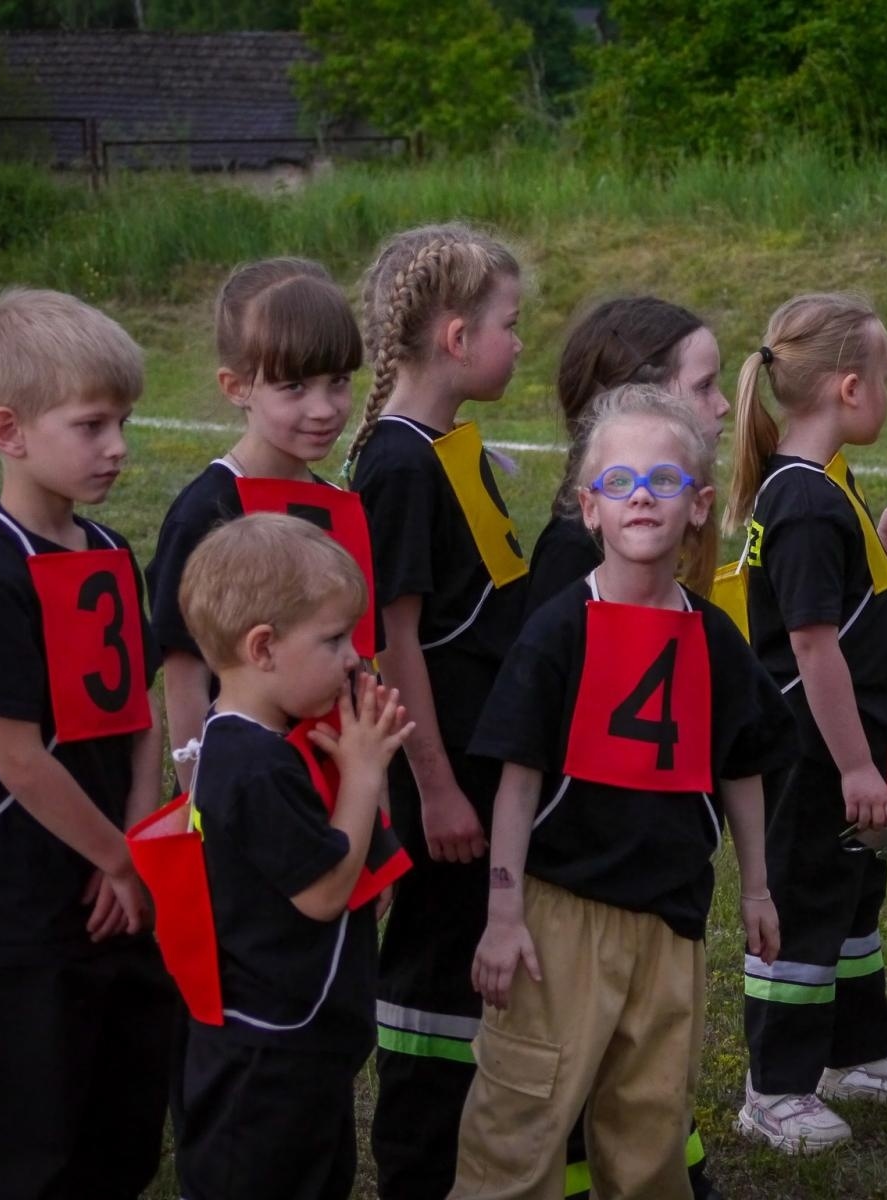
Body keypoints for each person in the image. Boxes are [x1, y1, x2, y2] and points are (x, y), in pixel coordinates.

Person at [451, 386, 792, 1199]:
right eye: (620, 483)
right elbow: (518, 779)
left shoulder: (715, 639)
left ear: (700, 507)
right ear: (589, 509)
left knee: (651, 1122)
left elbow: (743, 765)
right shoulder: (558, 630)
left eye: (666, 482)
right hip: (558, 917)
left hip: (669, 924)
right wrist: (503, 915)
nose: (642, 495)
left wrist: (756, 888)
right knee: (522, 1115)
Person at [0, 288, 173, 1197]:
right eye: (93, 424)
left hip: (117, 898)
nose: (118, 446)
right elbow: (18, 758)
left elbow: (139, 710)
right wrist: (117, 859)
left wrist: (140, 843)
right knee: (23, 1153)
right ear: (10, 430)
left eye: (124, 421)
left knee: (116, 1137)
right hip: (25, 918)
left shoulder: (107, 547)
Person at [728, 293, 887, 1155]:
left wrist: (882, 540)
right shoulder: (807, 501)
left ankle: (855, 1055)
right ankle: (773, 1088)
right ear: (850, 390)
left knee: (854, 900)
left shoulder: (823, 487)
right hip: (816, 757)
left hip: (844, 751)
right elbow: (813, 647)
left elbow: (837, 602)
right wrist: (858, 768)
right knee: (804, 904)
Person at [528, 294, 731, 1198]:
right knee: (552, 1090)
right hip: (588, 902)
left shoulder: (664, 571)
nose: (725, 406)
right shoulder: (580, 581)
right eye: (707, 385)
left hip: (659, 903)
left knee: (645, 1088)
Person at [344, 222, 530, 1199]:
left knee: (470, 970)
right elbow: (391, 640)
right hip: (444, 777)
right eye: (510, 323)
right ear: (456, 337)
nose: (519, 341)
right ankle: (414, 1167)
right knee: (429, 977)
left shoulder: (454, 449)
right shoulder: (400, 465)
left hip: (483, 764)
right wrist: (437, 787)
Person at [172, 513, 413, 1199]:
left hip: (307, 1052)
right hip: (264, 1065)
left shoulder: (282, 741)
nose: (352, 657)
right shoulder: (249, 765)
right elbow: (324, 893)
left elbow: (373, 881)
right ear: (263, 648)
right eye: (334, 639)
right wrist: (365, 774)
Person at [146, 257, 366, 791]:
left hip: (334, 783)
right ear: (235, 386)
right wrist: (199, 792)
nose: (324, 408)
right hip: (243, 795)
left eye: (337, 381)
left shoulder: (338, 503)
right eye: (293, 386)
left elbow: (358, 655)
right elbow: (185, 672)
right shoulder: (207, 511)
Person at [528, 295, 729, 609]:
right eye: (704, 387)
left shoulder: (666, 515)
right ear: (643, 402)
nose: (723, 405)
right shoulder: (572, 556)